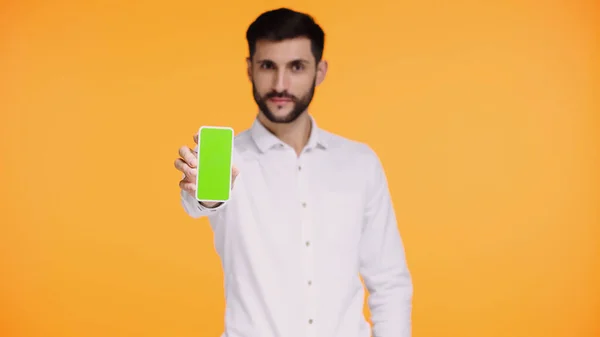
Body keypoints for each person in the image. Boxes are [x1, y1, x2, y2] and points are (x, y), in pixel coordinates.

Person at [174, 7, 413, 337]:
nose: (280, 84)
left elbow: (389, 283)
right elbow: (202, 203)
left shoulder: (360, 163)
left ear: (320, 71)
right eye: (268, 66)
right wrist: (204, 193)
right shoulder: (227, 162)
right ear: (250, 69)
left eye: (296, 67)